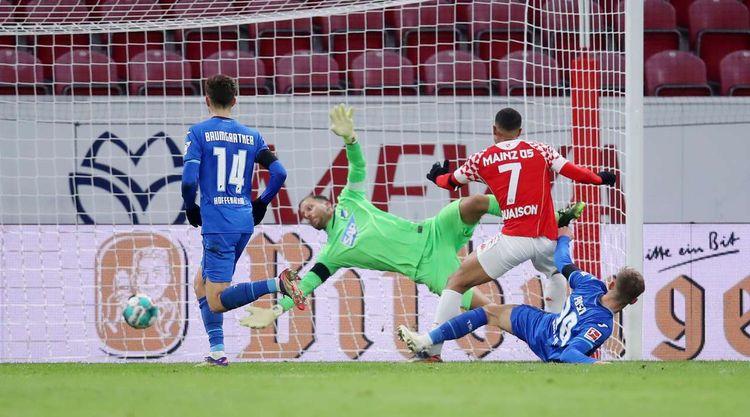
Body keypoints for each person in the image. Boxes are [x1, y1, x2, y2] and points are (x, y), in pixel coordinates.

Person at [240, 104, 584, 361]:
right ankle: (534, 338)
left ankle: (549, 216)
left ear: (325, 201)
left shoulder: (349, 199)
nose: (306, 215)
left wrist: (350, 138)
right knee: (486, 309)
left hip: (433, 231)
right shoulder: (332, 253)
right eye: (303, 215)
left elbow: (358, 166)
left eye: (309, 207)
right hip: (426, 267)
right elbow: (305, 285)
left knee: (474, 202)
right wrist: (277, 310)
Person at [424, 107, 616, 352]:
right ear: (520, 131)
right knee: (555, 274)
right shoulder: (541, 150)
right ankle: (555, 340)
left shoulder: (481, 159)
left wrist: (438, 176)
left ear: (494, 130)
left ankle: (431, 351)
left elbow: (451, 182)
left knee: (457, 281)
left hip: (514, 239)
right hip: (547, 238)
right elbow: (574, 172)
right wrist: (600, 178)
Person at [182, 74, 305, 366]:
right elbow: (280, 173)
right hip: (243, 220)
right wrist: (262, 202)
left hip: (218, 224)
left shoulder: (198, 133)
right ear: (235, 101)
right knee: (200, 283)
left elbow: (188, 182)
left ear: (207, 100)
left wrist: (190, 207)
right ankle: (217, 352)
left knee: (216, 300)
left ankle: (277, 284)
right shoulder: (252, 136)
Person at [398, 225, 645, 364]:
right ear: (633, 301)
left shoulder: (591, 285)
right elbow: (572, 353)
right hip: (548, 332)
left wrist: (564, 238)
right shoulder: (603, 325)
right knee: (490, 311)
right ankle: (425, 342)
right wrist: (596, 363)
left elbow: (562, 262)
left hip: (544, 334)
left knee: (490, 313)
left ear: (612, 283)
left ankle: (427, 341)